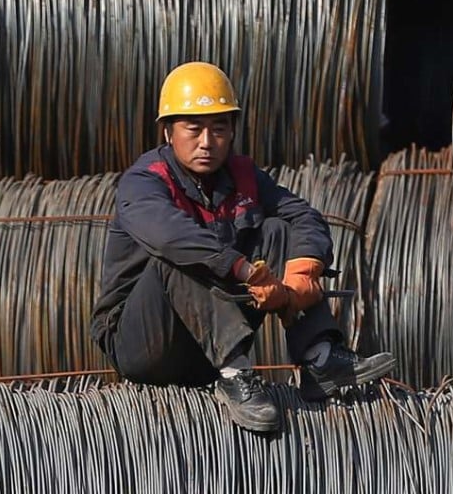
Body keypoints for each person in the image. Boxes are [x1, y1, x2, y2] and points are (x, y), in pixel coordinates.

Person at [90, 61, 395, 432]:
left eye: (219, 129)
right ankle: (236, 375)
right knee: (179, 255)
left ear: (232, 131)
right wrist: (247, 272)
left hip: (207, 346)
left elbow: (304, 217)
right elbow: (171, 237)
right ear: (168, 132)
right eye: (193, 128)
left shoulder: (243, 176)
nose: (207, 141)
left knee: (277, 231)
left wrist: (304, 271)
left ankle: (320, 358)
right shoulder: (144, 182)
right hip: (147, 344)